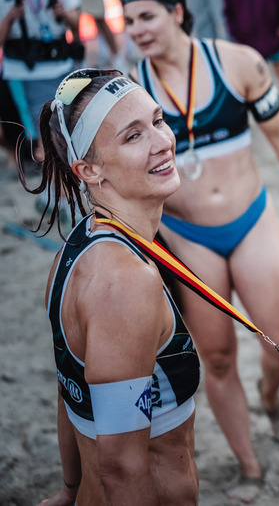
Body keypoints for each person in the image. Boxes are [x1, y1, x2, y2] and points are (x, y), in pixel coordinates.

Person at [122, 0, 279, 502]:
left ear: (175, 11)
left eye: (146, 16)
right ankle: (248, 465)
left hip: (251, 220)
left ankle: (272, 396)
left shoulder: (238, 61)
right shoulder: (130, 91)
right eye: (128, 22)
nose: (137, 30)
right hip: (186, 235)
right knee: (215, 358)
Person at [27, 68, 200, 506]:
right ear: (89, 170)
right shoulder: (124, 283)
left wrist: (69, 490)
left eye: (158, 121)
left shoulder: (78, 246)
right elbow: (122, 469)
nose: (163, 142)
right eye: (133, 136)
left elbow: (71, 390)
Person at [1, 0, 83, 160]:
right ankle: (55, 195)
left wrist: (65, 14)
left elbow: (77, 20)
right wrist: (9, 18)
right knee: (42, 139)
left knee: (74, 129)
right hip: (24, 70)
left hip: (62, 63)